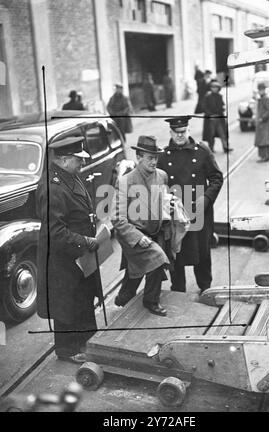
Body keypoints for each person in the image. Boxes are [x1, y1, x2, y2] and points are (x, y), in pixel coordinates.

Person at [36, 136, 99, 364]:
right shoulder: (53, 188)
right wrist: (86, 240)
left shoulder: (68, 175)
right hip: (62, 259)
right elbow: (56, 233)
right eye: (78, 159)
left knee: (82, 297)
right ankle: (67, 350)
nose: (82, 163)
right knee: (67, 303)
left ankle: (87, 341)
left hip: (77, 255)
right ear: (62, 160)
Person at [157, 116, 223, 295]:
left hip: (199, 210)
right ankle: (178, 289)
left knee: (202, 250)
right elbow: (158, 183)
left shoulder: (202, 151)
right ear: (170, 132)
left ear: (188, 130)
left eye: (183, 132)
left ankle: (205, 286)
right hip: (176, 213)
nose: (179, 136)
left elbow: (217, 178)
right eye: (176, 133)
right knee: (176, 251)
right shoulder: (163, 156)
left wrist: (207, 199)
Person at [112, 136, 170, 316]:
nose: (154, 161)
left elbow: (163, 202)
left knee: (136, 267)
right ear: (138, 158)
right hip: (133, 233)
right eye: (149, 158)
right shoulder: (125, 181)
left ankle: (123, 297)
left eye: (156, 157)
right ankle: (150, 301)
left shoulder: (161, 176)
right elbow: (117, 218)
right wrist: (138, 237)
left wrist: (170, 206)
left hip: (155, 231)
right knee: (157, 258)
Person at [202, 80, 233, 153]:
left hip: (219, 118)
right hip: (210, 119)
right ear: (211, 88)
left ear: (218, 88)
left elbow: (222, 105)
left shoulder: (220, 96)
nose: (214, 89)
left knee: (222, 133)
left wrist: (221, 110)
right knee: (211, 134)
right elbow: (204, 107)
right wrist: (210, 115)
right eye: (213, 87)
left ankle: (225, 147)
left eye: (216, 87)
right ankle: (211, 148)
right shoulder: (207, 97)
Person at [254, 82, 269, 163]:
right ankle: (264, 156)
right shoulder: (261, 98)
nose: (259, 91)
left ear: (264, 90)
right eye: (259, 90)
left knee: (264, 140)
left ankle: (265, 157)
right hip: (262, 122)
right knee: (262, 139)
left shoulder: (266, 98)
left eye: (261, 90)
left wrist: (262, 118)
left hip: (265, 123)